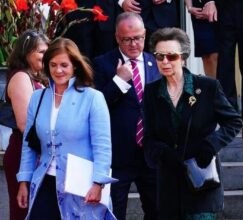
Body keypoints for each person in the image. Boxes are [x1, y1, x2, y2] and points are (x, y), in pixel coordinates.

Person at [144, 27, 242, 219]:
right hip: (169, 183)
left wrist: (210, 145)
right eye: (159, 56)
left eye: (171, 56)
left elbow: (234, 122)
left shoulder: (207, 87)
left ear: (183, 57)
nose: (164, 62)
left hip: (201, 177)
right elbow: (149, 136)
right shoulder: (152, 92)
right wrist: (160, 153)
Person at [16, 38, 116, 219]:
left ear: (75, 66)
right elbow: (28, 145)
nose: (58, 70)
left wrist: (98, 183)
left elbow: (102, 145)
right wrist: (24, 179)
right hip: (44, 183)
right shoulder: (37, 97)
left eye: (64, 65)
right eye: (53, 65)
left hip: (81, 185)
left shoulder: (93, 97)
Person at [93, 12, 160, 220]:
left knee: (158, 211)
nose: (133, 44)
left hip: (151, 156)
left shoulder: (156, 62)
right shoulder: (101, 64)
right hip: (118, 157)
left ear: (145, 34)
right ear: (116, 38)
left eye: (138, 38)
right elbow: (96, 108)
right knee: (114, 214)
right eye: (127, 39)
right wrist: (119, 81)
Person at [3, 30, 49, 220]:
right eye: (41, 52)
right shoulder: (22, 77)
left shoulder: (36, 76)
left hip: (37, 151)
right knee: (25, 211)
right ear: (26, 52)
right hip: (25, 152)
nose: (46, 56)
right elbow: (25, 125)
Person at [185, 0, 218, 78]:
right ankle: (212, 87)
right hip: (199, 7)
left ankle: (220, 88)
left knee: (219, 54)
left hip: (222, 7)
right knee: (207, 54)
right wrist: (189, 6)